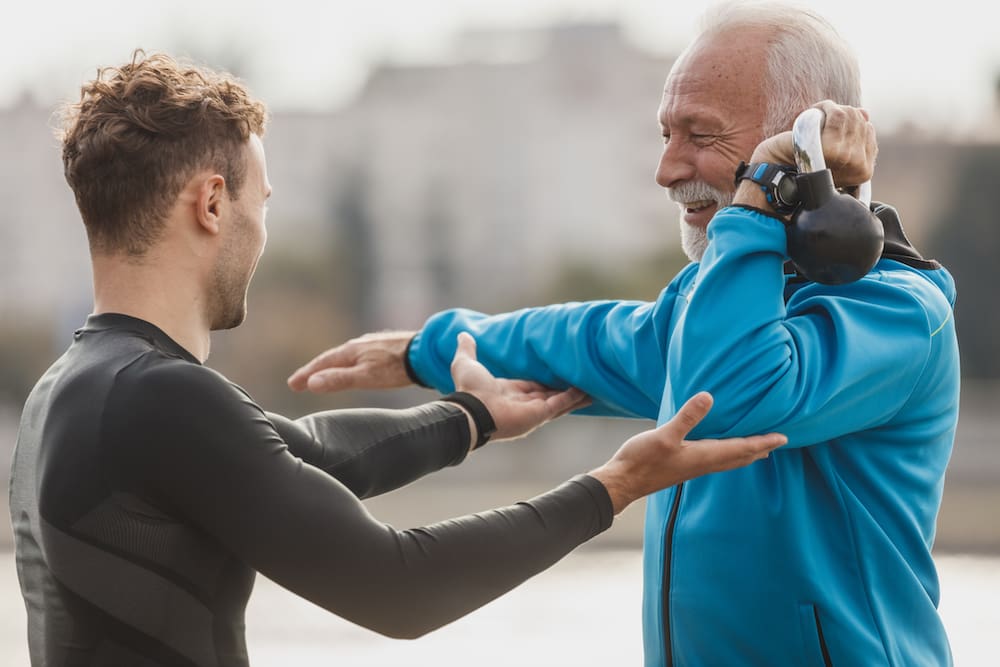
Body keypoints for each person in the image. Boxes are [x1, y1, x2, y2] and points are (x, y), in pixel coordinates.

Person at [7, 50, 787, 667]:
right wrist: (615, 485)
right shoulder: (159, 397)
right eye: (261, 202)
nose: (261, 230)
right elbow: (398, 587)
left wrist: (473, 417)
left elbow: (300, 454)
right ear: (212, 204)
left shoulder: (72, 391)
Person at [289, 2, 961, 665]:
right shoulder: (710, 307)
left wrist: (760, 198)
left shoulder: (898, 312)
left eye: (699, 135)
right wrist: (429, 349)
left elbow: (721, 400)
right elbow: (589, 338)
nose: (667, 169)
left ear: (803, 141)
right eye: (664, 135)